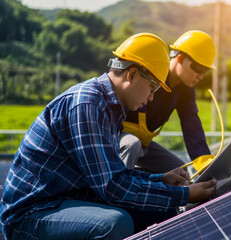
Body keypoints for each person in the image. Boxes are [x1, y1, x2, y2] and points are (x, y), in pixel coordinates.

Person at [0, 33, 216, 240]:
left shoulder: (110, 109)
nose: (151, 98)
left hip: (68, 200)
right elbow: (112, 187)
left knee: (162, 210)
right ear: (131, 74)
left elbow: (116, 173)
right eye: (152, 88)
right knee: (115, 224)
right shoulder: (87, 104)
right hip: (32, 212)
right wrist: (185, 195)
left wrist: (162, 179)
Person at [120, 30, 216, 174]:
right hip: (117, 139)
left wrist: (203, 162)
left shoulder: (186, 91)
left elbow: (192, 125)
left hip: (144, 145)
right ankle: (119, 193)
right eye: (198, 68)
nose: (201, 76)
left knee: (181, 174)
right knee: (131, 144)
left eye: (205, 71)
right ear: (180, 58)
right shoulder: (151, 75)